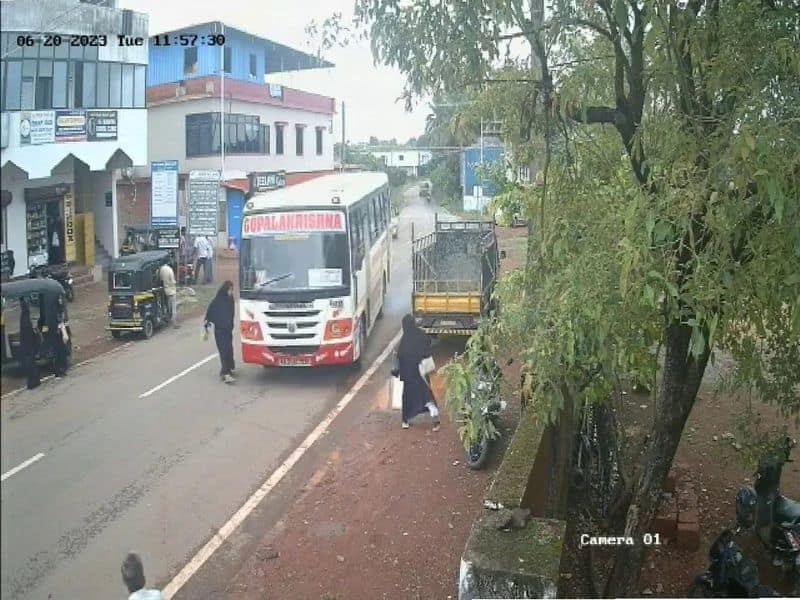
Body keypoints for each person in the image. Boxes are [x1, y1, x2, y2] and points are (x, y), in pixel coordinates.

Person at [392, 314, 440, 430]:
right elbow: (428, 345)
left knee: (408, 398)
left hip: (409, 375)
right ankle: (435, 420)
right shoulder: (421, 335)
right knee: (427, 397)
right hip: (421, 373)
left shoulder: (404, 340)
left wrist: (397, 371)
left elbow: (400, 356)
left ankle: (405, 420)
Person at [204, 280, 236, 383]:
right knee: (224, 350)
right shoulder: (218, 301)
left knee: (229, 349)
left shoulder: (230, 300)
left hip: (228, 330)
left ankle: (229, 368)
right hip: (220, 331)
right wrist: (207, 324)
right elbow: (210, 313)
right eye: (230, 289)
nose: (231, 292)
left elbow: (232, 314)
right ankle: (225, 373)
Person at [41, 294, 68, 378]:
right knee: (57, 352)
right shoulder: (53, 311)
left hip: (58, 332)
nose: (60, 300)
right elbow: (57, 321)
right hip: (55, 333)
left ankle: (61, 369)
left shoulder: (56, 310)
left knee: (60, 351)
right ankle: (59, 370)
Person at [18, 299, 41, 390]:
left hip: (26, 344)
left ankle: (32, 381)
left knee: (29, 362)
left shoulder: (23, 318)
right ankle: (34, 381)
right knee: (31, 362)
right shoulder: (26, 320)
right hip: (28, 344)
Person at [158, 261, 178, 328]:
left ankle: (168, 319)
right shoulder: (170, 270)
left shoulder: (161, 269)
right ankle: (174, 323)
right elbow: (173, 282)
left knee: (168, 306)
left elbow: (160, 279)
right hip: (171, 291)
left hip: (165, 290)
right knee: (173, 307)